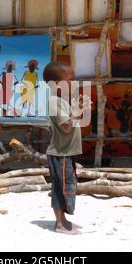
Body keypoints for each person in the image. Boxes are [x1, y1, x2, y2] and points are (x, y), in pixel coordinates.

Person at [43, 61, 91, 235]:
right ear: (56, 84)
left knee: (68, 185)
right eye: (70, 80)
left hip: (66, 152)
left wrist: (79, 108)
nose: (73, 83)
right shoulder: (54, 101)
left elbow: (71, 120)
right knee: (60, 188)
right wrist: (77, 112)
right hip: (60, 153)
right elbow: (66, 127)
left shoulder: (62, 101)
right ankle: (59, 224)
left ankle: (63, 219)